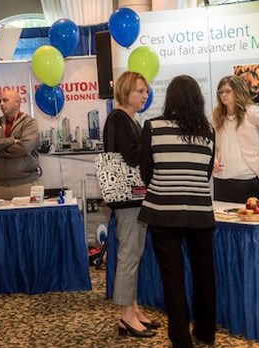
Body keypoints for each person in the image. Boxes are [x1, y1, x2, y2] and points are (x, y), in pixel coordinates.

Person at [139, 75, 216, 348]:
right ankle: (206, 332)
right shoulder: (208, 131)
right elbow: (206, 173)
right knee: (204, 274)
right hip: (199, 212)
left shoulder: (153, 127)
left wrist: (166, 188)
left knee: (173, 277)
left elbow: (146, 172)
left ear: (170, 98)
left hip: (163, 211)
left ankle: (180, 339)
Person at [102, 71, 158, 338]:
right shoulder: (120, 119)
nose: (144, 95)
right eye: (139, 91)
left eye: (145, 91)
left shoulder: (130, 120)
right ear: (125, 91)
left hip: (135, 197)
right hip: (128, 199)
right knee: (128, 256)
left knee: (134, 254)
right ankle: (125, 316)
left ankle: (133, 309)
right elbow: (133, 157)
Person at [211, 75, 259, 203]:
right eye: (221, 92)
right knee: (222, 221)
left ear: (238, 91)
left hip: (246, 178)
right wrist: (214, 160)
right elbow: (209, 141)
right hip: (221, 178)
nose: (223, 95)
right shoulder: (215, 116)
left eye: (228, 91)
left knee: (247, 218)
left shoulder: (251, 112)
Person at [0, 89, 41, 199]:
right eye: (0, 101)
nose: (1, 104)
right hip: (0, 186)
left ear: (17, 102)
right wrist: (11, 140)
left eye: (5, 100)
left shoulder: (30, 123)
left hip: (25, 185)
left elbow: (24, 148)